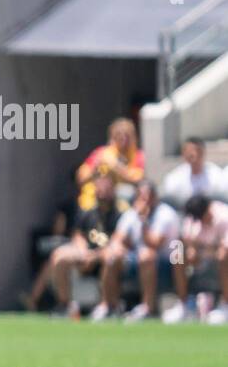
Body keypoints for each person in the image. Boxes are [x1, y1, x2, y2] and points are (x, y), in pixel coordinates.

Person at [39, 172, 121, 318]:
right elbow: (78, 236)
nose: (101, 191)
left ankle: (107, 306)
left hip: (106, 257)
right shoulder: (87, 214)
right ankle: (66, 305)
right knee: (59, 256)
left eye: (106, 187)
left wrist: (94, 257)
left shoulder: (120, 215)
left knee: (111, 256)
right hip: (86, 254)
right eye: (99, 187)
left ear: (113, 189)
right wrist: (83, 252)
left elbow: (117, 242)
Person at [96, 180, 179, 322]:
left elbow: (154, 244)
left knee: (147, 256)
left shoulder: (166, 214)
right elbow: (117, 238)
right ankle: (108, 305)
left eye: (147, 197)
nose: (143, 201)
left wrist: (143, 220)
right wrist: (117, 248)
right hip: (136, 260)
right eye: (140, 197)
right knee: (111, 256)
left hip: (167, 263)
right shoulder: (130, 214)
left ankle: (147, 307)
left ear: (155, 198)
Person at [164, 194, 228, 324]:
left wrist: (207, 251)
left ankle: (226, 304)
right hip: (203, 257)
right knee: (177, 253)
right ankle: (183, 305)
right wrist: (191, 250)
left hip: (220, 259)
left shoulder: (224, 216)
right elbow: (186, 240)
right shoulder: (194, 217)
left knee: (223, 256)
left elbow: (224, 248)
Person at [76, 117, 144, 212]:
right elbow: (81, 177)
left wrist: (115, 165)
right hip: (97, 199)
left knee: (126, 192)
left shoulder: (138, 155)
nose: (123, 139)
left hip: (122, 201)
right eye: (118, 135)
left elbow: (138, 179)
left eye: (126, 136)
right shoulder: (102, 153)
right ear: (112, 137)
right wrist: (96, 166)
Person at [159, 137, 227, 211]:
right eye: (189, 152)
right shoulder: (174, 178)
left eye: (197, 151)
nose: (194, 154)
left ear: (203, 152)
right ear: (183, 154)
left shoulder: (217, 175)